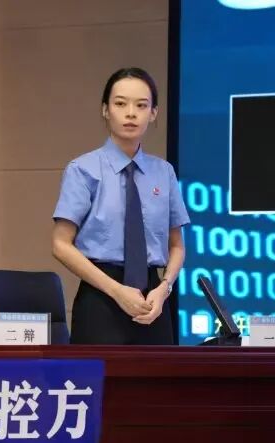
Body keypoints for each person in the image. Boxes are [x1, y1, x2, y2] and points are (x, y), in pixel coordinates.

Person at [52, 67, 190, 345]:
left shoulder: (164, 172)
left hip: (153, 301)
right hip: (101, 295)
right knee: (100, 374)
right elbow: (60, 244)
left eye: (141, 106)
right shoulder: (83, 169)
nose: (131, 113)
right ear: (105, 110)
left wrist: (164, 289)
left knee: (160, 374)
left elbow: (177, 245)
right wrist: (117, 291)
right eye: (120, 104)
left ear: (153, 113)